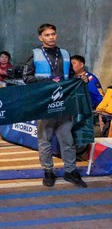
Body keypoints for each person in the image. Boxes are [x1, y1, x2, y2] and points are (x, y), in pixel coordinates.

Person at [23, 23, 87, 188]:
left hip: (64, 103)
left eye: (53, 34)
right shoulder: (35, 54)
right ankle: (48, 171)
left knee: (67, 139)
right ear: (40, 37)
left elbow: (71, 77)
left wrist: (80, 79)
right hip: (45, 103)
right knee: (45, 139)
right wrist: (48, 81)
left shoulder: (65, 53)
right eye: (47, 35)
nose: (51, 37)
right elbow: (26, 78)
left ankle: (70, 171)